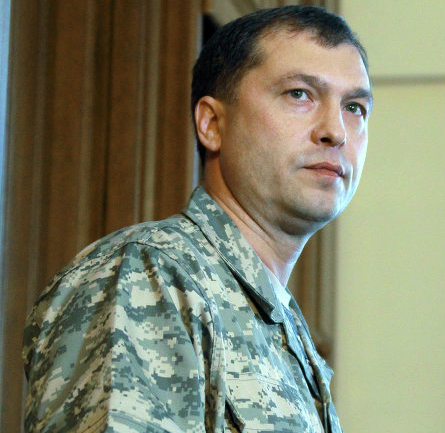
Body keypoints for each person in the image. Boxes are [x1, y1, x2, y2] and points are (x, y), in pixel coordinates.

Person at [23, 5, 372, 432]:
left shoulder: (285, 327)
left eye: (354, 107)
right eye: (299, 94)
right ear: (211, 124)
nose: (335, 130)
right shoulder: (149, 275)